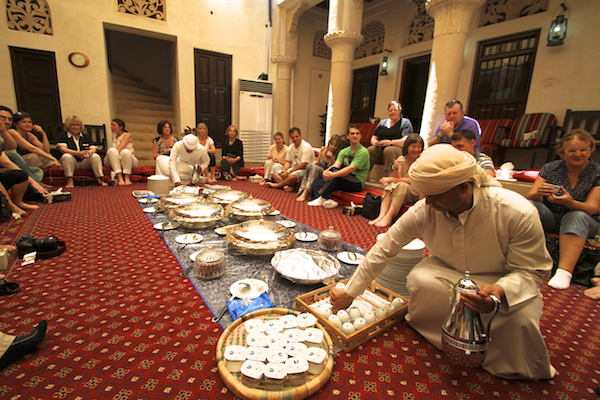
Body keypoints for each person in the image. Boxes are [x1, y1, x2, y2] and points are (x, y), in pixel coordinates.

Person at [331, 145, 555, 380]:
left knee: (520, 321)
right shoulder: (426, 208)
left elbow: (532, 271)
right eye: (425, 196)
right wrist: (351, 292)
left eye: (435, 196)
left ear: (464, 187)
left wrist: (499, 293)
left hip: (501, 281)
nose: (428, 203)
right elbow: (384, 249)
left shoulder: (516, 211)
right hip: (447, 271)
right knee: (420, 279)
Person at [526, 129, 600, 290]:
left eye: (583, 149)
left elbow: (593, 208)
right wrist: (538, 193)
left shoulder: (597, 172)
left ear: (591, 149)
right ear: (562, 152)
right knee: (531, 206)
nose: (578, 154)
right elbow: (531, 195)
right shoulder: (551, 168)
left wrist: (570, 202)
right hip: (553, 216)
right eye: (572, 150)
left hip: (586, 220)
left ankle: (564, 272)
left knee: (576, 216)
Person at [308, 125, 369, 209]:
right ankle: (329, 200)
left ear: (360, 136)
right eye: (352, 133)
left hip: (356, 181)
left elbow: (351, 168)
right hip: (343, 179)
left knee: (336, 174)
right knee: (317, 183)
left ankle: (322, 197)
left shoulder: (363, 152)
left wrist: (333, 175)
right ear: (348, 136)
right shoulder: (344, 151)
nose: (355, 136)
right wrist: (326, 172)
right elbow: (336, 165)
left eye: (357, 133)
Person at [369, 133, 423, 228]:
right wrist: (397, 169)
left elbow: (413, 180)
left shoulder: (421, 161)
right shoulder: (401, 159)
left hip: (415, 191)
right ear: (407, 147)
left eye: (419, 147)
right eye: (413, 146)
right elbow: (398, 178)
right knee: (391, 184)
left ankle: (389, 217)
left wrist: (392, 178)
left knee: (400, 185)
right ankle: (381, 215)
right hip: (401, 189)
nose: (416, 149)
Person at [0, 107, 49, 196]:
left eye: (9, 119)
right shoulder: (12, 131)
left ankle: (35, 185)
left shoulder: (29, 135)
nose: (6, 121)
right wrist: (53, 159)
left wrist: (43, 133)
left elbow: (46, 150)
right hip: (13, 162)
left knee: (38, 170)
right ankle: (36, 189)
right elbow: (32, 149)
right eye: (2, 118)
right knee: (31, 156)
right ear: (16, 124)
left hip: (14, 164)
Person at [56, 115, 106, 188]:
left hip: (84, 161)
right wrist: (77, 153)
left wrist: (88, 153)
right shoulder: (62, 136)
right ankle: (70, 180)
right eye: (73, 125)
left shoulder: (86, 136)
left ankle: (99, 179)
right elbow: (63, 149)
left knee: (95, 156)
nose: (76, 127)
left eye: (77, 125)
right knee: (66, 156)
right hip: (71, 161)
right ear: (68, 126)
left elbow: (93, 149)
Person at [367, 101, 414, 178]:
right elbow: (374, 136)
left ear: (400, 110)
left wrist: (390, 142)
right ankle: (366, 177)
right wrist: (375, 142)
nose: (393, 112)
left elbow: (405, 140)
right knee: (370, 150)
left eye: (395, 110)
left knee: (389, 150)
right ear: (387, 111)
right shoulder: (382, 123)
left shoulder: (405, 123)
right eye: (390, 110)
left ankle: (390, 177)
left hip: (397, 149)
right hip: (380, 148)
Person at [297, 134, 344, 202]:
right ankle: (303, 191)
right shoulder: (323, 149)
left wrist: (332, 158)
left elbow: (335, 167)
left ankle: (305, 192)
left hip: (326, 174)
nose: (332, 147)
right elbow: (318, 162)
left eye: (335, 145)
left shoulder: (338, 154)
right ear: (329, 143)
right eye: (332, 144)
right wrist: (312, 164)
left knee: (315, 168)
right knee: (310, 166)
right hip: (319, 171)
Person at [266, 127, 315, 192]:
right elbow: (288, 162)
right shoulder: (290, 147)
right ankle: (291, 187)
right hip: (293, 168)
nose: (295, 139)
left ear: (300, 135)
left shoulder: (306, 147)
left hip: (304, 170)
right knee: (274, 173)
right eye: (293, 137)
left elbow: (303, 164)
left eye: (296, 136)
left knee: (292, 176)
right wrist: (284, 170)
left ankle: (277, 185)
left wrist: (289, 172)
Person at [104, 118, 138, 186]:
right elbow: (114, 152)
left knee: (125, 151)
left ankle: (127, 177)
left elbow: (119, 149)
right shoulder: (114, 137)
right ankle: (119, 177)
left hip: (128, 159)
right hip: (115, 159)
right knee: (111, 150)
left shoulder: (127, 135)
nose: (111, 127)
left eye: (113, 125)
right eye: (111, 125)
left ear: (120, 127)